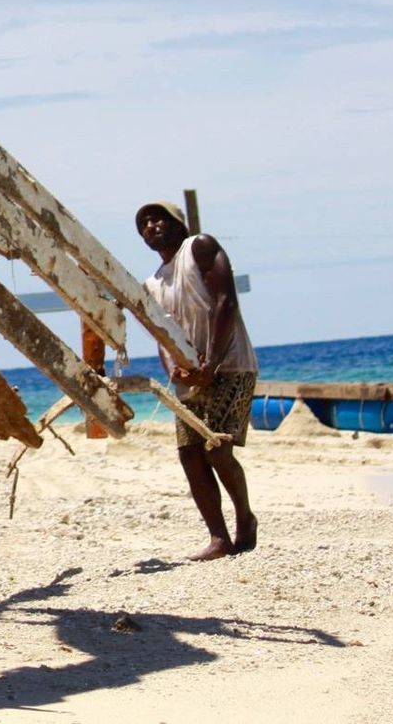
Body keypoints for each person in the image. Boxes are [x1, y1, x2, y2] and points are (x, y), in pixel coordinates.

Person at [136, 200, 258, 561]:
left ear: (178, 223)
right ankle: (218, 538)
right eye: (144, 223)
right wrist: (172, 367)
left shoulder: (200, 247)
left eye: (158, 218)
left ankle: (245, 518)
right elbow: (162, 334)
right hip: (190, 378)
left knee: (218, 448)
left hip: (230, 366)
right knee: (190, 455)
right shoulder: (152, 282)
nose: (151, 226)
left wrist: (212, 363)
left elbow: (226, 303)